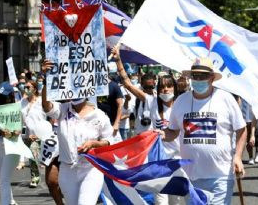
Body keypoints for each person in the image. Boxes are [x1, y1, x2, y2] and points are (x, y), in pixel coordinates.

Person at [158, 57, 247, 205]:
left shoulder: (225, 99)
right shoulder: (181, 101)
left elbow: (241, 129)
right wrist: (161, 134)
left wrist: (237, 156)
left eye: (203, 76)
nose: (198, 79)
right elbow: (173, 131)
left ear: (212, 78)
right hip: (191, 177)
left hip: (221, 176)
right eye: (195, 76)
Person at [41, 59, 114, 205]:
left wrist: (94, 143)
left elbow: (109, 141)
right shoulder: (62, 110)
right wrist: (46, 80)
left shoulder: (100, 116)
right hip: (67, 170)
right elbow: (46, 106)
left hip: (91, 169)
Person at [150, 74, 181, 204]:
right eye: (162, 87)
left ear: (175, 88)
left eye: (169, 86)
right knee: (160, 199)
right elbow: (128, 84)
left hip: (180, 159)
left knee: (176, 199)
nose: (166, 90)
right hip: (159, 159)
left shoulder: (181, 106)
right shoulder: (152, 103)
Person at [112, 47, 157, 135]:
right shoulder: (136, 94)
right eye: (146, 87)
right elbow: (126, 82)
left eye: (151, 87)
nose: (149, 90)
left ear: (155, 84)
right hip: (139, 134)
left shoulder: (158, 97)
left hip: (154, 135)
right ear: (141, 85)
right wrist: (118, 59)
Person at [21, 80, 50, 188]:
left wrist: (47, 131)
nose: (26, 89)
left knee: (35, 154)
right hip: (27, 133)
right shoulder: (22, 102)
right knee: (31, 156)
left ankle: (41, 176)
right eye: (25, 87)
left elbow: (49, 115)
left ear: (35, 89)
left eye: (28, 87)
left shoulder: (41, 101)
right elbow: (21, 119)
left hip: (40, 134)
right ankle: (35, 176)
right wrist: (22, 133)